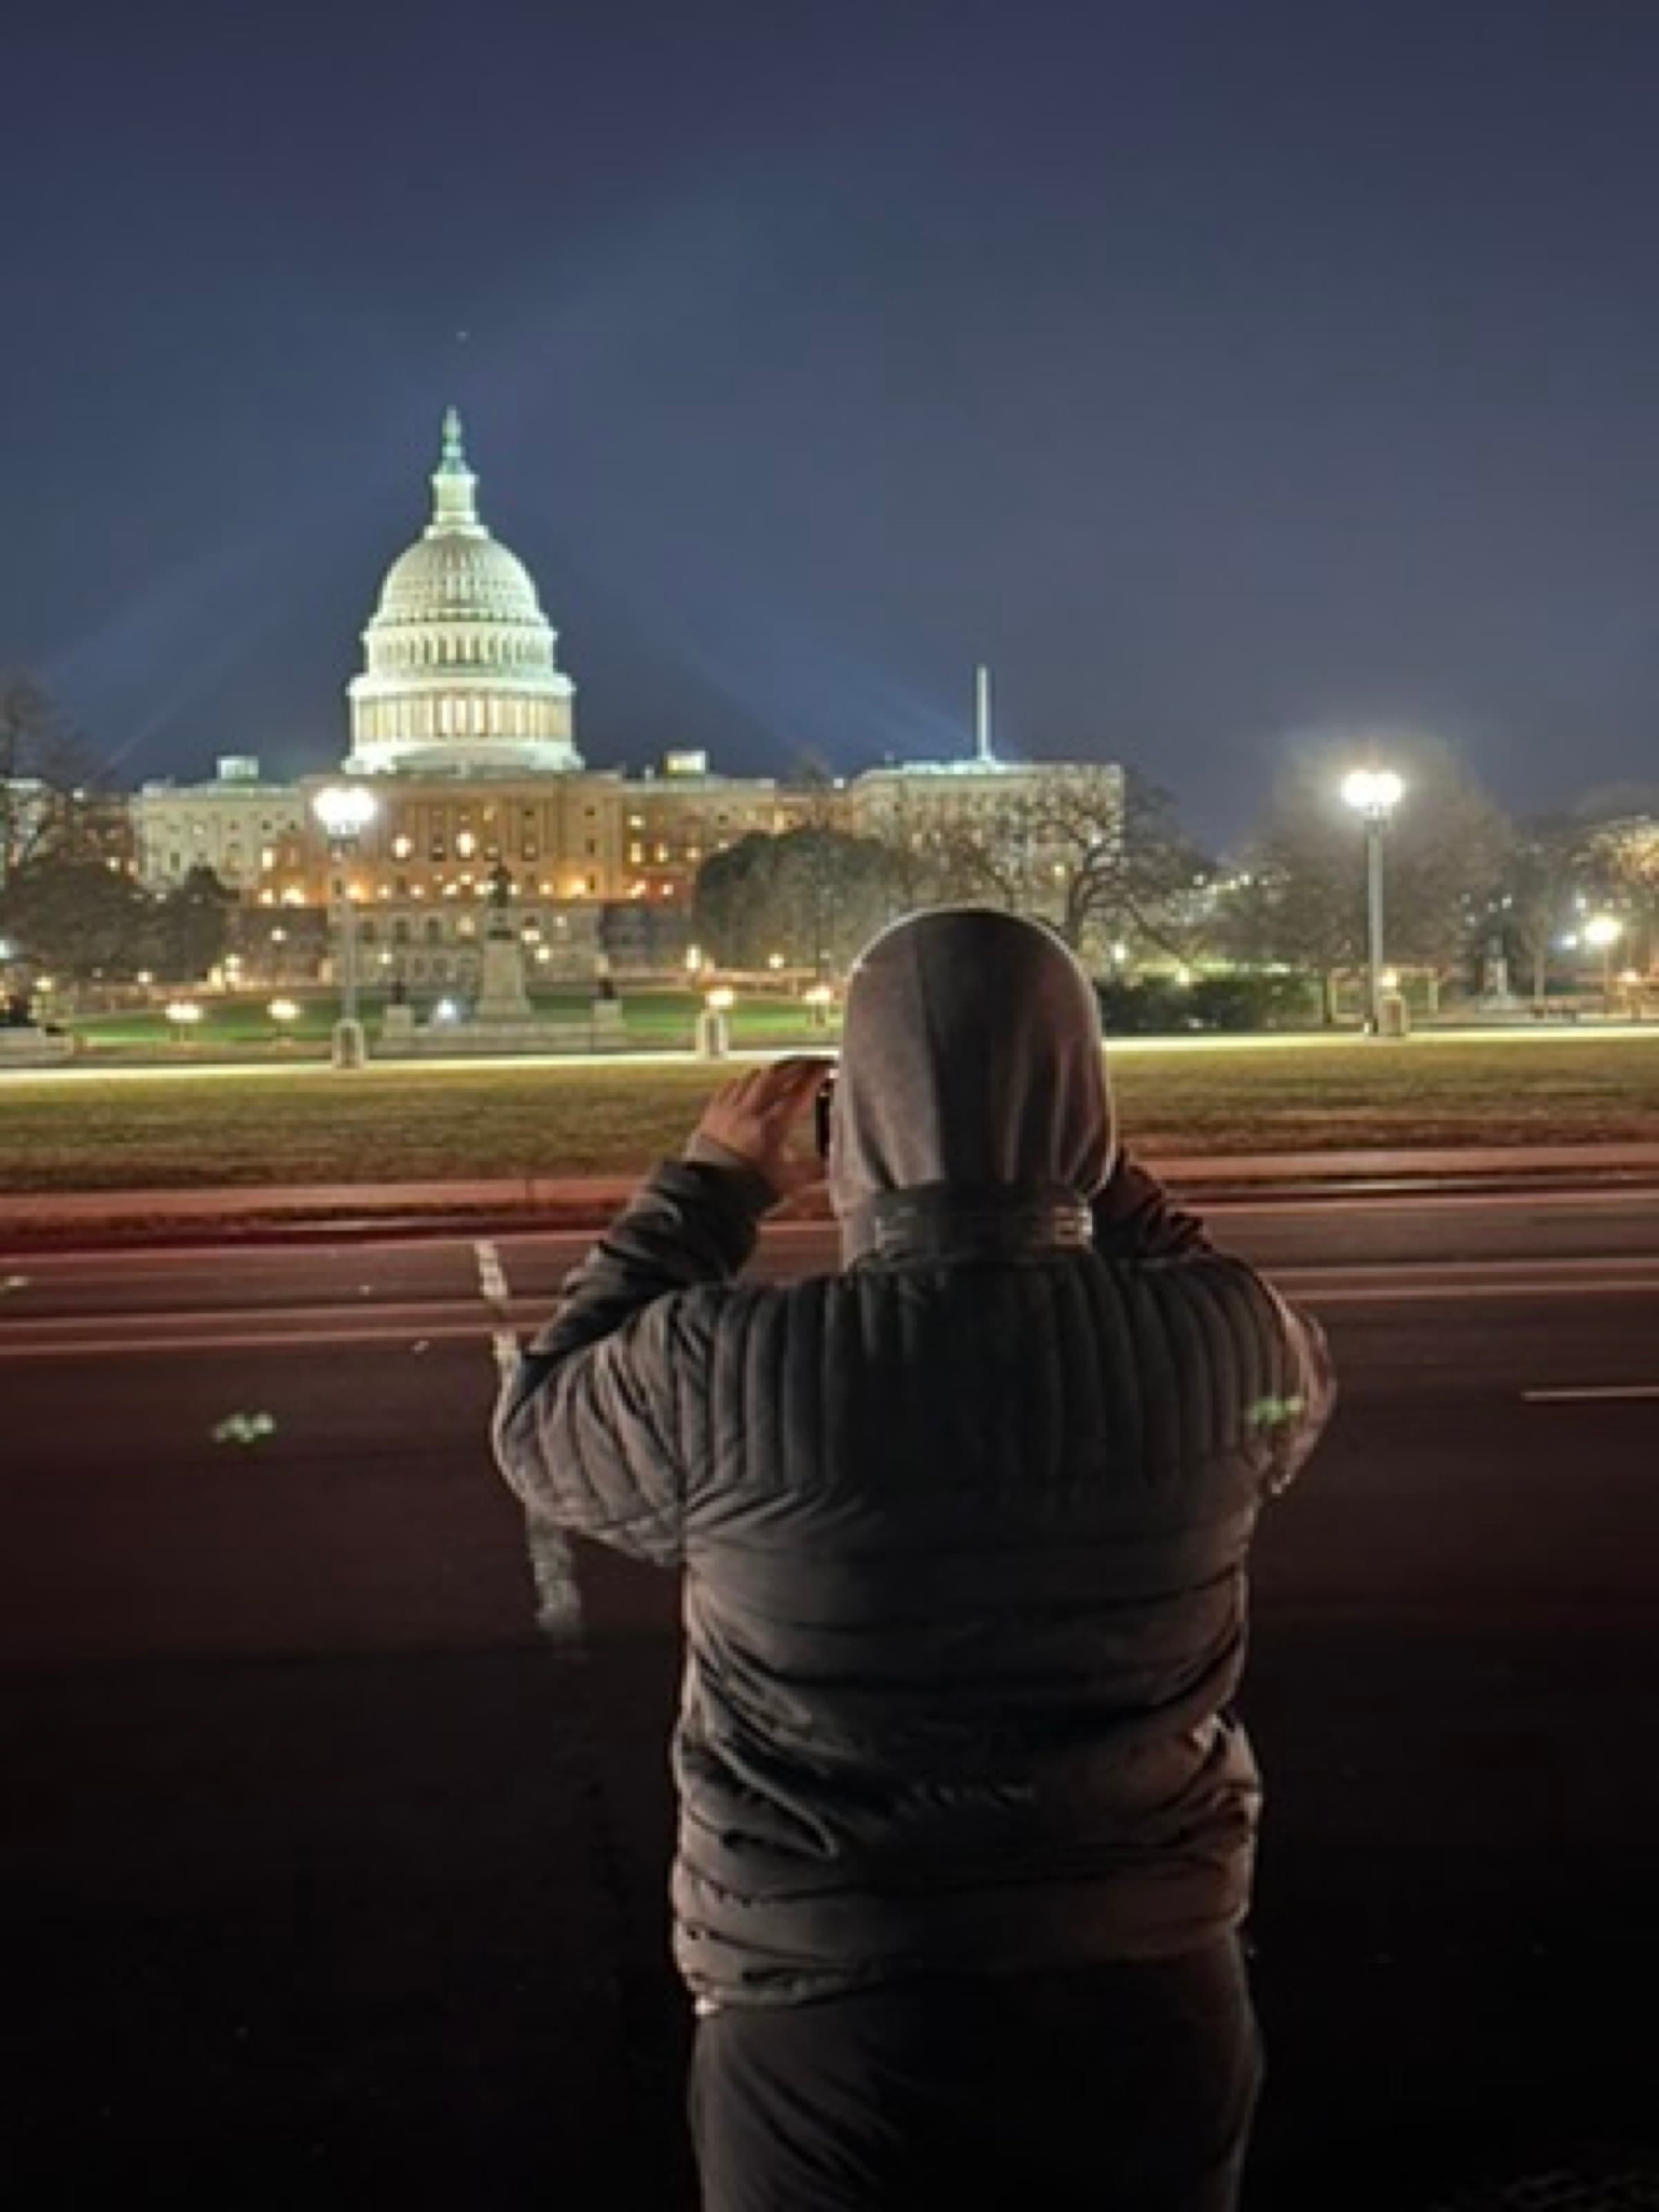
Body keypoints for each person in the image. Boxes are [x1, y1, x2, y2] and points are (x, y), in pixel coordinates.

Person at [494, 908, 1333, 2211]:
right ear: (1089, 1103)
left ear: (856, 1122)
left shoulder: (722, 1360)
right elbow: (1226, 1304)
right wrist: (1091, 1177)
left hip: (839, 1997)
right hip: (1150, 1971)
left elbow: (542, 1431)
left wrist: (710, 1185)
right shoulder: (1230, 1340)